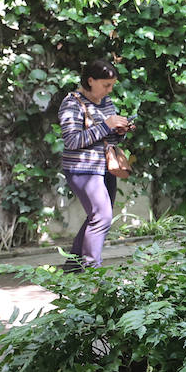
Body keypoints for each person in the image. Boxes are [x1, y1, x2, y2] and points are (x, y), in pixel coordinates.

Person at [58, 59, 134, 269]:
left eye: (112, 85)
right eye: (106, 85)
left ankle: (72, 268)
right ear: (90, 80)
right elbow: (72, 140)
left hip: (105, 168)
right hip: (82, 169)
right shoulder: (72, 102)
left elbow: (107, 139)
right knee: (101, 217)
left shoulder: (106, 103)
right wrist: (106, 125)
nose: (109, 90)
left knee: (96, 217)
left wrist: (120, 131)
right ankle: (93, 273)